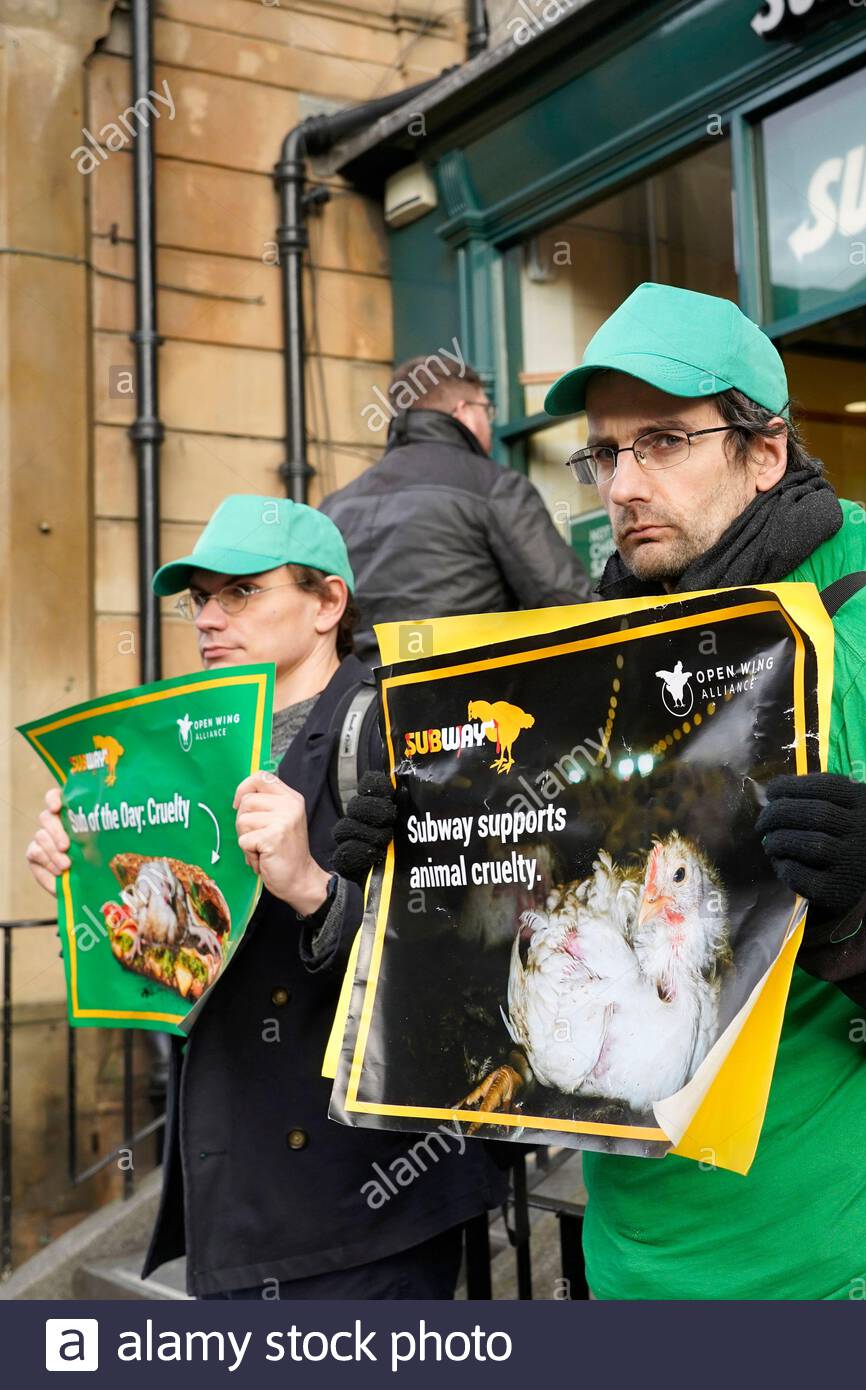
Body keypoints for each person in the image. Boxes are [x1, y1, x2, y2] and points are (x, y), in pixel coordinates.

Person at [336, 283, 866, 1301]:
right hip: (633, 1274)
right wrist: (404, 876)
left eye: (665, 441)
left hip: (848, 1287)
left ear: (764, 452)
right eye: (605, 452)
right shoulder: (596, 668)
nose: (624, 484)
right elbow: (530, 978)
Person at [25, 495, 506, 1299]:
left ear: (327, 604)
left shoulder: (407, 729)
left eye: (242, 592)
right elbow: (175, 963)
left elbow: (470, 953)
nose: (210, 617)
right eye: (200, 598)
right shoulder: (193, 748)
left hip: (365, 1210)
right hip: (235, 1203)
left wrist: (315, 889)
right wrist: (88, 876)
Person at [320, 355, 593, 661]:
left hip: (356, 701)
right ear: (464, 411)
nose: (489, 422)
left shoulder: (334, 506)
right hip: (460, 696)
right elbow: (567, 604)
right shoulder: (495, 487)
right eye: (486, 410)